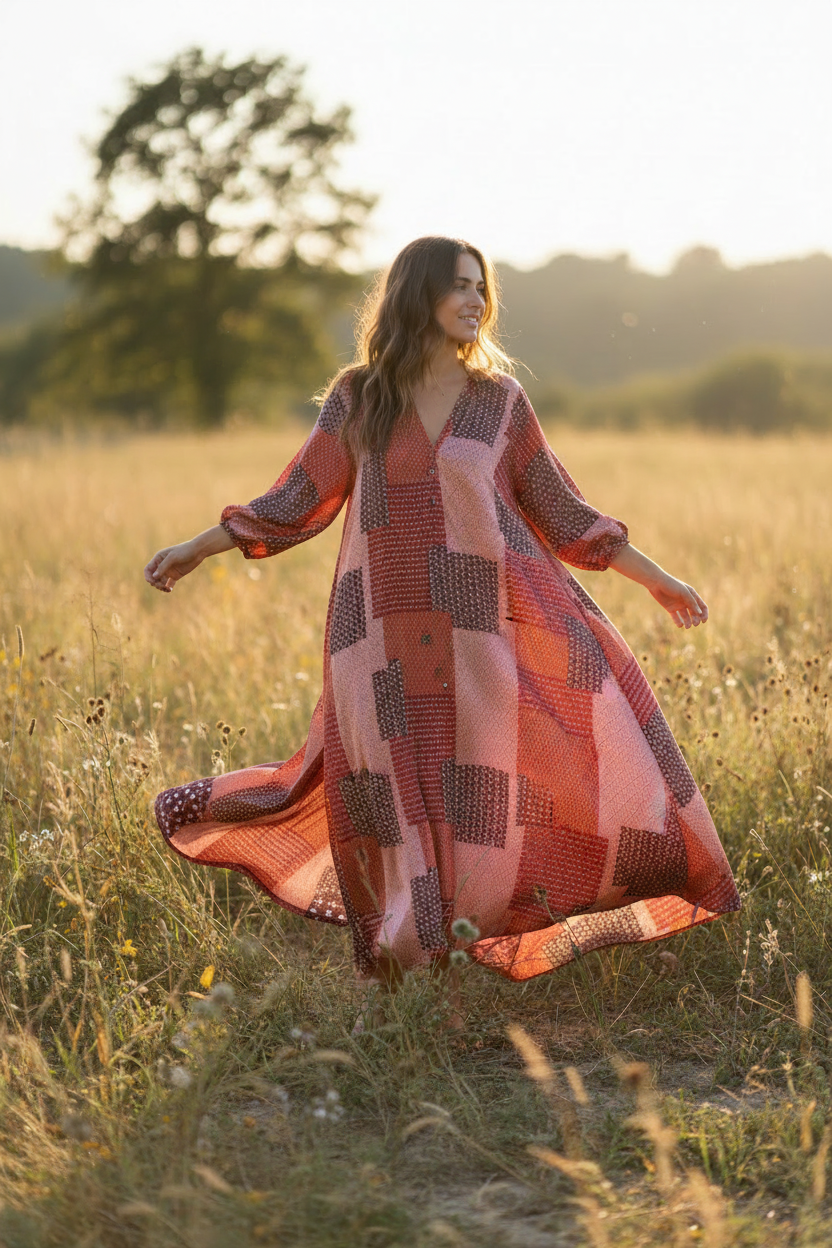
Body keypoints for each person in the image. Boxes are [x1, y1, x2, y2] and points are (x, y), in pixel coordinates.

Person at [145, 236, 739, 1030]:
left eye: (481, 288)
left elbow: (562, 511)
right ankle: (400, 979)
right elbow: (296, 498)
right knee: (388, 796)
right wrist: (199, 546)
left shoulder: (499, 403)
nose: (475, 301)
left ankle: (444, 970)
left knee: (474, 803)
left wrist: (656, 577)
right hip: (376, 636)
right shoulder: (360, 397)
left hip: (478, 635)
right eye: (459, 286)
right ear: (416, 293)